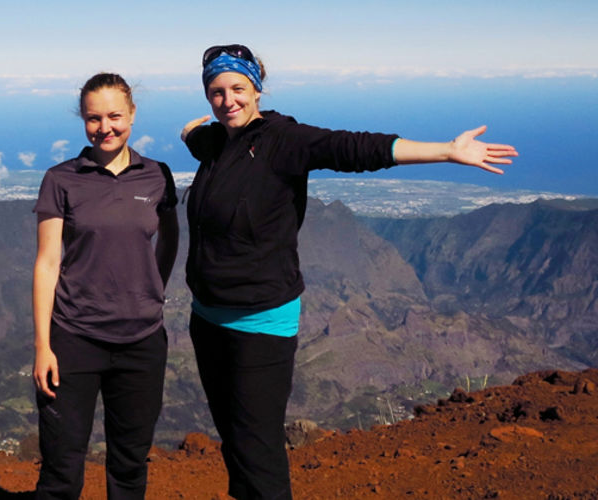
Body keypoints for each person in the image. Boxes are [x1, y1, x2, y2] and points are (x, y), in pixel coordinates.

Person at [180, 44, 518, 500]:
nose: (228, 100)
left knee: (259, 453)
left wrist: (446, 151)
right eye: (216, 91)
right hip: (207, 321)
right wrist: (190, 135)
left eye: (238, 88)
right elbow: (202, 139)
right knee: (236, 444)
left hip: (260, 323)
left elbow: (354, 147)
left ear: (258, 89)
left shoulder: (285, 140)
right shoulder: (217, 142)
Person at [32, 72, 179, 500]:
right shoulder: (62, 179)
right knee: (61, 470)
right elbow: (46, 263)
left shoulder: (157, 176)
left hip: (143, 341)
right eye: (94, 118)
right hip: (73, 339)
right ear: (83, 120)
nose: (105, 127)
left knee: (130, 465)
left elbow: (169, 238)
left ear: (133, 114)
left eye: (115, 116)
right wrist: (43, 346)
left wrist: (154, 288)